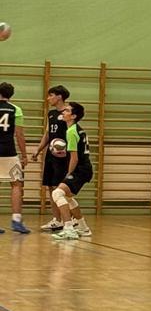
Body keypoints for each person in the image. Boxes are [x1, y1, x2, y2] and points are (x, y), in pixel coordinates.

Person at [31, 83, 71, 231]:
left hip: (63, 156)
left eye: (51, 95)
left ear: (59, 97)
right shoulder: (51, 114)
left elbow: (72, 134)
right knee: (49, 186)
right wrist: (38, 150)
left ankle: (69, 220)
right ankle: (57, 220)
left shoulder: (68, 113)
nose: (48, 98)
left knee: (59, 188)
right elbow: (48, 134)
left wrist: (68, 150)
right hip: (50, 154)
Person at [51, 101, 93, 240]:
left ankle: (68, 228)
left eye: (67, 111)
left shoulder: (71, 131)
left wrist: (69, 174)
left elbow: (74, 158)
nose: (63, 112)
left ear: (73, 116)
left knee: (57, 193)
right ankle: (83, 228)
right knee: (68, 197)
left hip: (80, 169)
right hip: (85, 168)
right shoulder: (78, 129)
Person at [0, 81, 29, 234]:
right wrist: (24, 155)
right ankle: (16, 221)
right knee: (16, 184)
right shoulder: (16, 109)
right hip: (8, 151)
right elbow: (19, 135)